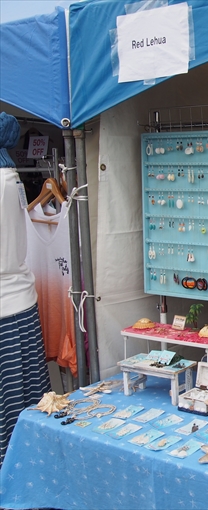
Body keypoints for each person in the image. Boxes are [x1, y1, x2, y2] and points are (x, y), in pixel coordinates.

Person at [0, 112, 52, 467]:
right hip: (20, 304)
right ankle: (28, 474)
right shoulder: (11, 178)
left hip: (6, 311)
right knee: (26, 404)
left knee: (9, 411)